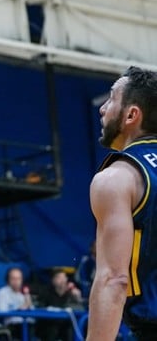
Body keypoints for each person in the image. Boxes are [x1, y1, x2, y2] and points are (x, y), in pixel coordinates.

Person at [89, 66, 157, 340]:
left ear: (131, 115)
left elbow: (114, 280)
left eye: (111, 99)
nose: (102, 109)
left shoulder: (118, 178)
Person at [36, 268, 83, 341]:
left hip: (66, 326)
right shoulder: (46, 293)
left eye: (64, 277)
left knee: (70, 329)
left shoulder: (71, 293)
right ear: (53, 280)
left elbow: (80, 309)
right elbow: (40, 309)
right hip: (49, 326)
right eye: (59, 278)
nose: (63, 280)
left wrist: (78, 298)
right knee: (51, 328)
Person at [0, 266, 34, 339]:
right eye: (13, 278)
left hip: (28, 325)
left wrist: (28, 300)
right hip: (11, 326)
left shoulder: (24, 293)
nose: (16, 281)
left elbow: (32, 312)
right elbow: (2, 312)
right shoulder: (2, 293)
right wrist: (18, 310)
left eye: (19, 278)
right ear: (8, 279)